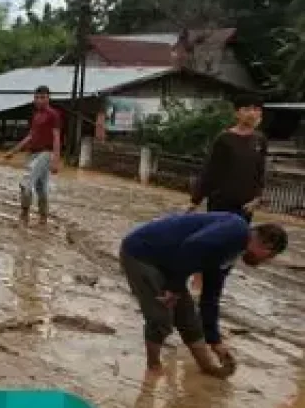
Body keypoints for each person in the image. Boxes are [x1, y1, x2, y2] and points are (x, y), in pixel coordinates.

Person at [119, 212, 287, 377]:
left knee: (188, 317)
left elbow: (211, 296)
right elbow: (192, 246)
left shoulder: (234, 250)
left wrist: (215, 340)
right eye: (269, 256)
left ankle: (207, 367)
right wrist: (174, 288)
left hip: (168, 263)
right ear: (266, 245)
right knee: (161, 316)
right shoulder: (235, 231)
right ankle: (153, 368)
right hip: (143, 254)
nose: (264, 262)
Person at [190, 94, 269, 222]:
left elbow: (260, 171)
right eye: (247, 109)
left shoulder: (260, 139)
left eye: (256, 109)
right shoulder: (224, 139)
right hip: (221, 203)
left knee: (239, 234)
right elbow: (210, 171)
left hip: (246, 206)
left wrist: (257, 198)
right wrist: (196, 200)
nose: (252, 113)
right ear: (237, 113)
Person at [3, 85, 62, 226]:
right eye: (36, 97)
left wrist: (56, 160)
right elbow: (30, 136)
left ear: (48, 98)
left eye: (42, 97)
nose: (39, 100)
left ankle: (24, 214)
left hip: (46, 153)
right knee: (41, 187)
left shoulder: (53, 115)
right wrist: (14, 150)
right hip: (33, 153)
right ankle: (43, 217)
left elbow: (56, 137)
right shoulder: (36, 115)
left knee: (26, 183)